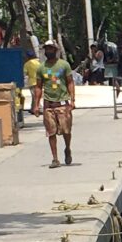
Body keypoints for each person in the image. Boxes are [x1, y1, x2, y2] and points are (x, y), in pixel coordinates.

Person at [31, 38, 75, 168]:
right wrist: (36, 104)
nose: (48, 51)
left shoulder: (64, 65)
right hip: (48, 104)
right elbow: (38, 87)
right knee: (51, 132)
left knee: (66, 131)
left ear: (55, 50)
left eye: (51, 49)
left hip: (62, 103)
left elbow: (70, 82)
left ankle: (67, 148)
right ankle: (55, 158)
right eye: (46, 49)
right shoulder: (41, 68)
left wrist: (72, 100)